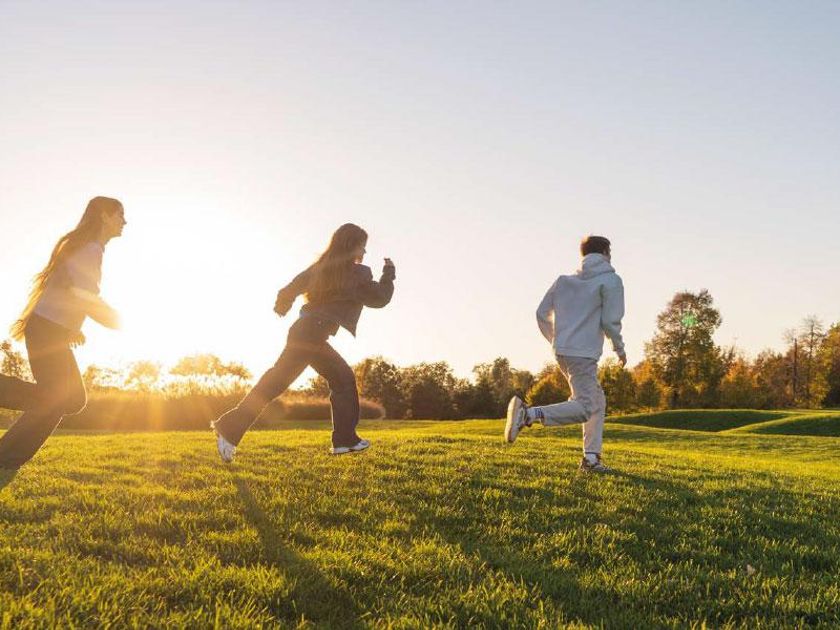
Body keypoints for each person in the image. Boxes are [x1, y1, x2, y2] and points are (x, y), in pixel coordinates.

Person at [212, 223, 395, 461]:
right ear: (352, 246)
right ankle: (344, 440)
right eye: (363, 246)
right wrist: (389, 273)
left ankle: (344, 440)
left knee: (335, 379)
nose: (365, 251)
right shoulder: (357, 274)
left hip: (304, 331)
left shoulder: (320, 268)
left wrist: (282, 306)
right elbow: (380, 298)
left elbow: (290, 288)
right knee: (304, 381)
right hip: (312, 334)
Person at [0, 197, 125, 470]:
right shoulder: (91, 249)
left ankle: (6, 455)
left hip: (50, 331)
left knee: (65, 399)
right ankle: (6, 455)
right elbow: (85, 296)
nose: (124, 221)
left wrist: (71, 328)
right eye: (119, 214)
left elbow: (70, 292)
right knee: (61, 398)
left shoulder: (88, 248)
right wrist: (120, 321)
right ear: (104, 216)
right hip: (46, 331)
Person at [504, 235, 625, 473]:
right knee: (585, 406)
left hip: (562, 352)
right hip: (583, 354)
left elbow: (541, 313)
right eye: (610, 252)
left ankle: (591, 459)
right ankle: (528, 415)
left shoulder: (563, 281)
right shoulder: (610, 280)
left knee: (597, 400)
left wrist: (556, 340)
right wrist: (619, 348)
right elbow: (611, 320)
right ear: (604, 253)